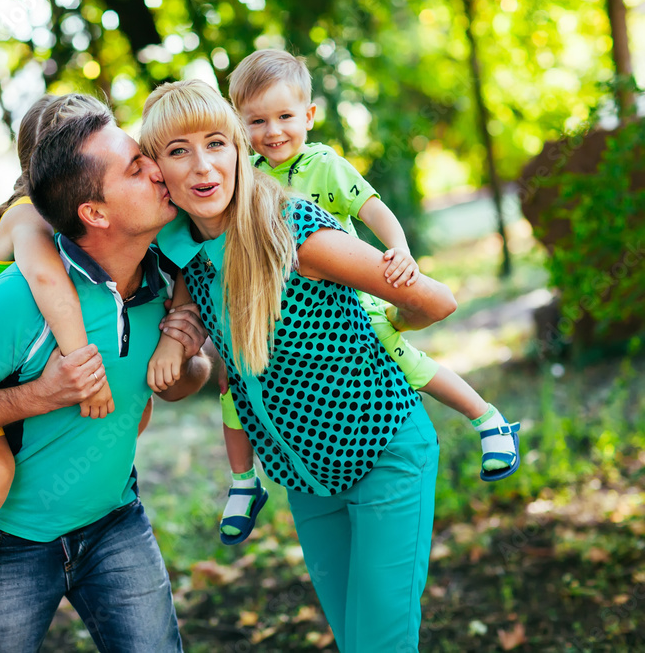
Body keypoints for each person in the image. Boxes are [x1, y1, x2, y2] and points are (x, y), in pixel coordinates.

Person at [140, 79, 457, 652]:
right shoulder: (182, 253)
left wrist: (387, 329)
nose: (203, 165)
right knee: (353, 639)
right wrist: (178, 340)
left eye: (216, 143)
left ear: (240, 148)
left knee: (380, 645)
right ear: (157, 170)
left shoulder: (293, 231)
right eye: (178, 150)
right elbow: (194, 379)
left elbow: (435, 301)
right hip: (306, 476)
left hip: (382, 448)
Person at [0, 108, 211, 651]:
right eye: (136, 166)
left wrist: (187, 357)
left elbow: (177, 385)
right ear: (94, 211)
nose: (158, 171)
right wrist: (42, 393)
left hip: (117, 524)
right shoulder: (21, 297)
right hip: (8, 547)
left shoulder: (170, 278)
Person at [207, 49, 522, 544]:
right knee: (235, 387)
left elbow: (374, 210)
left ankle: (488, 419)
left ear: (309, 116)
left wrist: (399, 250)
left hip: (349, 304)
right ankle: (244, 481)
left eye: (285, 117)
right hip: (278, 315)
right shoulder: (244, 172)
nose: (273, 132)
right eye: (257, 121)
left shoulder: (324, 164)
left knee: (408, 362)